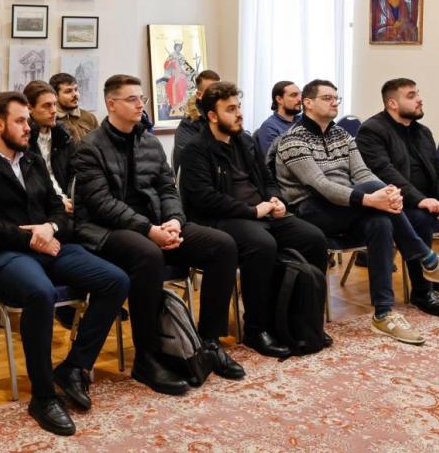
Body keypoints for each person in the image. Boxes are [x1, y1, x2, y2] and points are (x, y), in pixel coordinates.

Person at [0, 92, 129, 436]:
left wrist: (49, 228)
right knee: (41, 292)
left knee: (116, 280)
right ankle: (43, 395)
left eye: (28, 121)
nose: (28, 127)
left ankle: (75, 366)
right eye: (20, 121)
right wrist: (32, 238)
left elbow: (60, 210)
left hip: (49, 245)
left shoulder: (33, 160)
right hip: (1, 255)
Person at [275, 79, 439, 345]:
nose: (334, 102)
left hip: (348, 207)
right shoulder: (292, 140)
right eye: (327, 98)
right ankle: (429, 260)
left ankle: (384, 313)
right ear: (308, 103)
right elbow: (321, 185)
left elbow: (363, 173)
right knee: (379, 203)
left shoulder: (342, 135)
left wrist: (387, 194)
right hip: (311, 210)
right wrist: (371, 198)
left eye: (336, 97)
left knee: (381, 221)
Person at [73, 75, 245, 395]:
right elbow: (101, 204)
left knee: (222, 245)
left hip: (155, 226)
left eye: (143, 98)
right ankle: (147, 358)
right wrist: (149, 230)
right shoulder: (89, 147)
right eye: (132, 99)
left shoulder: (149, 142)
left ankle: (208, 341)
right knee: (148, 254)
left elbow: (168, 188)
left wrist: (174, 221)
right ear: (111, 104)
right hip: (106, 231)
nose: (141, 104)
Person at [180, 82, 330, 353]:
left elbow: (268, 178)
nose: (239, 114)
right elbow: (205, 199)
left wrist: (276, 199)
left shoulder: (246, 142)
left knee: (314, 238)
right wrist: (252, 211)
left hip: (262, 212)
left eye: (238, 107)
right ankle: (256, 329)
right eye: (230, 109)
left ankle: (305, 323)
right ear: (212, 115)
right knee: (262, 244)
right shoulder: (195, 149)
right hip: (222, 219)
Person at [356, 78, 439, 314]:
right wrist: (420, 199)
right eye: (411, 95)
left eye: (418, 93)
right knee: (421, 218)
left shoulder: (422, 131)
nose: (419, 99)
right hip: (397, 202)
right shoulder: (372, 130)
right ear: (392, 103)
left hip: (432, 197)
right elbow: (385, 172)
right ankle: (422, 292)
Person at [24, 80, 74, 213]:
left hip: (69, 200)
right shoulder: (24, 140)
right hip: (44, 207)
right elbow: (31, 183)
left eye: (54, 104)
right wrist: (58, 202)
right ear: (29, 108)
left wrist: (72, 197)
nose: (54, 111)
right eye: (46, 106)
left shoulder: (63, 135)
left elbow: (75, 172)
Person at [171, 69, 220, 172]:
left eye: (220, 91)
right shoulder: (188, 125)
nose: (218, 96)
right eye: (212, 92)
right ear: (199, 95)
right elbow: (188, 162)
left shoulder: (226, 119)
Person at [49, 72, 99, 144]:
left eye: (76, 89)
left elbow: (100, 145)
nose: (75, 94)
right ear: (55, 96)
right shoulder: (51, 120)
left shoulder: (90, 117)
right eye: (68, 91)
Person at [254, 80, 302, 155]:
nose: (300, 99)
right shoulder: (269, 127)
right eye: (293, 95)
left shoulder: (303, 120)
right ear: (279, 99)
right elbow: (273, 159)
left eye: (300, 95)